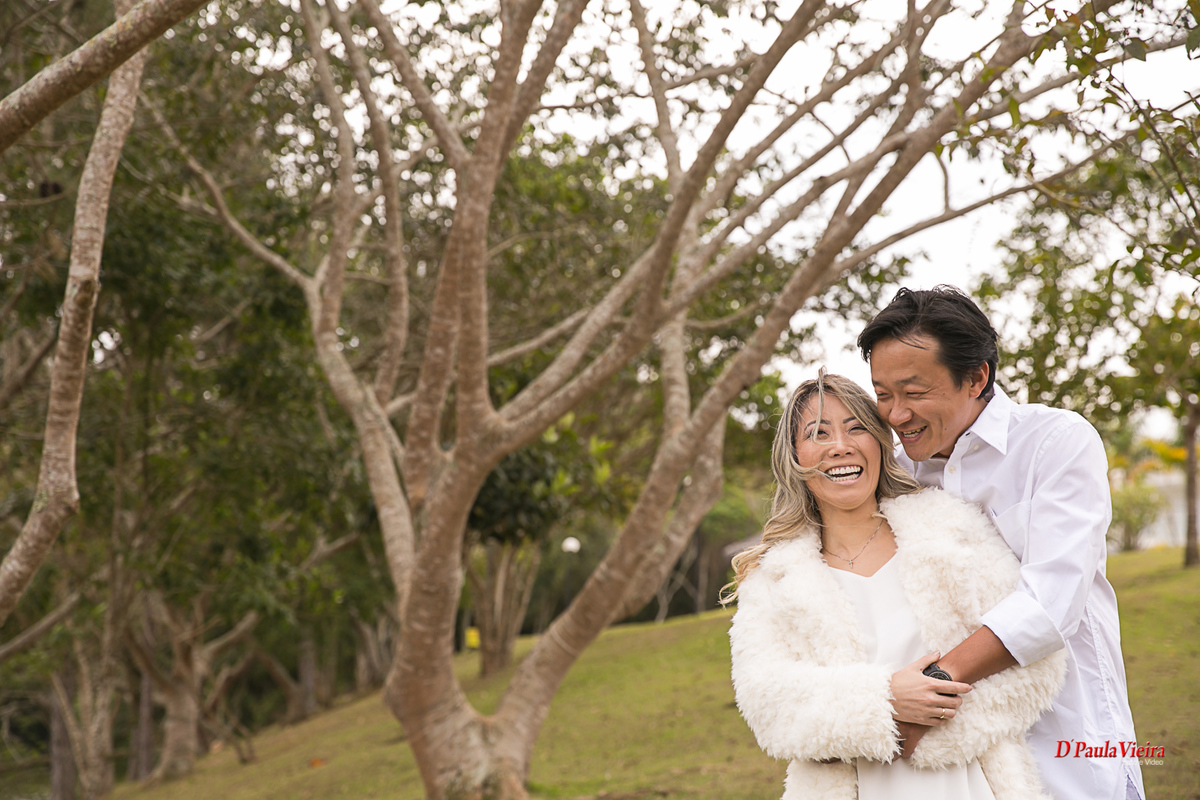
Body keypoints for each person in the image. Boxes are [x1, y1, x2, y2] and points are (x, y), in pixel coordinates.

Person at [858, 285, 1144, 800]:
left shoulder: (1055, 443)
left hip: (1068, 737)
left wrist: (934, 689)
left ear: (976, 377)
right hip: (954, 760)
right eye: (882, 394)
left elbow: (1051, 604)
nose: (896, 414)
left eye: (914, 391)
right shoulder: (894, 472)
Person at [728, 372, 1065, 800]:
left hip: (972, 783)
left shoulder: (949, 530)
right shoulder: (773, 577)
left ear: (880, 442)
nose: (840, 446)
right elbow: (768, 703)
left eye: (856, 428)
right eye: (818, 433)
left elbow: (1035, 662)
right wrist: (883, 703)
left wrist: (921, 728)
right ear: (794, 456)